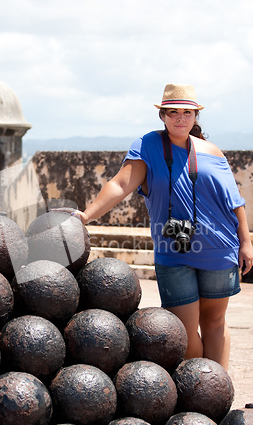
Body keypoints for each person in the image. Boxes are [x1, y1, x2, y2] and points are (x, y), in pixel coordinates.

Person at [75, 83, 253, 370]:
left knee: (215, 322)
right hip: (174, 247)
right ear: (163, 116)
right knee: (181, 330)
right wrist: (86, 216)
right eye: (173, 112)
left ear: (196, 116)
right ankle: (202, 382)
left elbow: (234, 201)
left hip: (220, 245)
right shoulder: (148, 145)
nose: (180, 118)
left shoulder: (212, 151)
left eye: (187, 112)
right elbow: (121, 184)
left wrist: (246, 242)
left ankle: (219, 391)